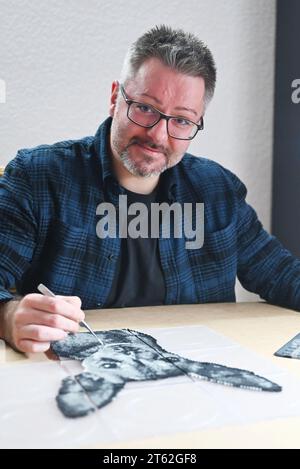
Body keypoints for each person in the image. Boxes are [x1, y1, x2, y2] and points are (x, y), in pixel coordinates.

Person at [0, 25, 299, 354]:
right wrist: (9, 315)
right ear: (115, 97)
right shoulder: (39, 176)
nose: (158, 135)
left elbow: (283, 276)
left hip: (198, 386)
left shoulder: (218, 191)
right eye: (145, 108)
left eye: (182, 120)